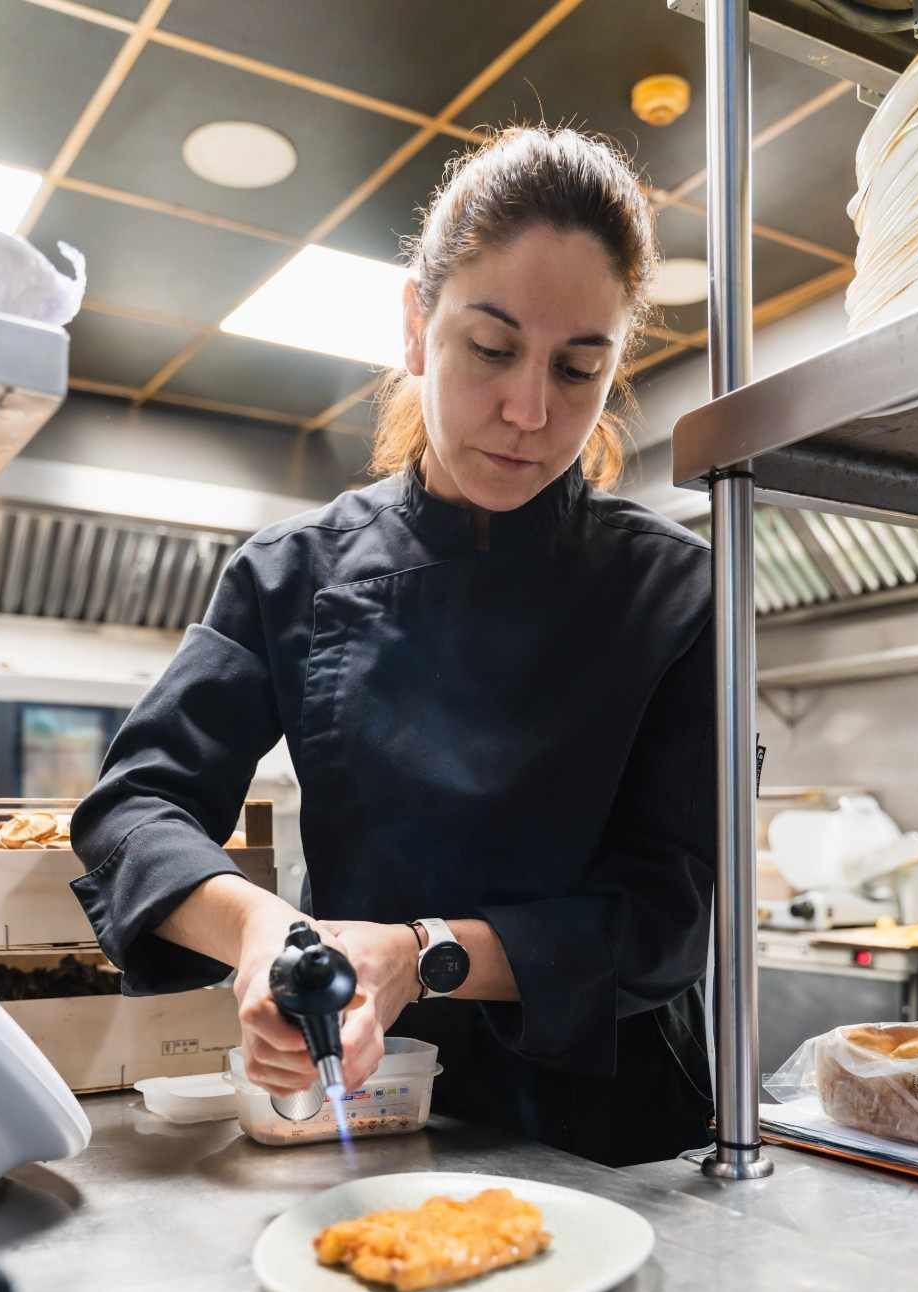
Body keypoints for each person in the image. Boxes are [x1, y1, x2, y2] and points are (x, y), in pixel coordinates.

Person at [70, 125, 715, 1168]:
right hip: (366, 1100)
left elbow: (666, 920)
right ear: (416, 327)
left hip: (622, 1128)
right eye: (491, 348)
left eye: (578, 365)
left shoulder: (675, 589)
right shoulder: (293, 571)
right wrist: (262, 935)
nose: (528, 410)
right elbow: (133, 808)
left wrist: (422, 954)